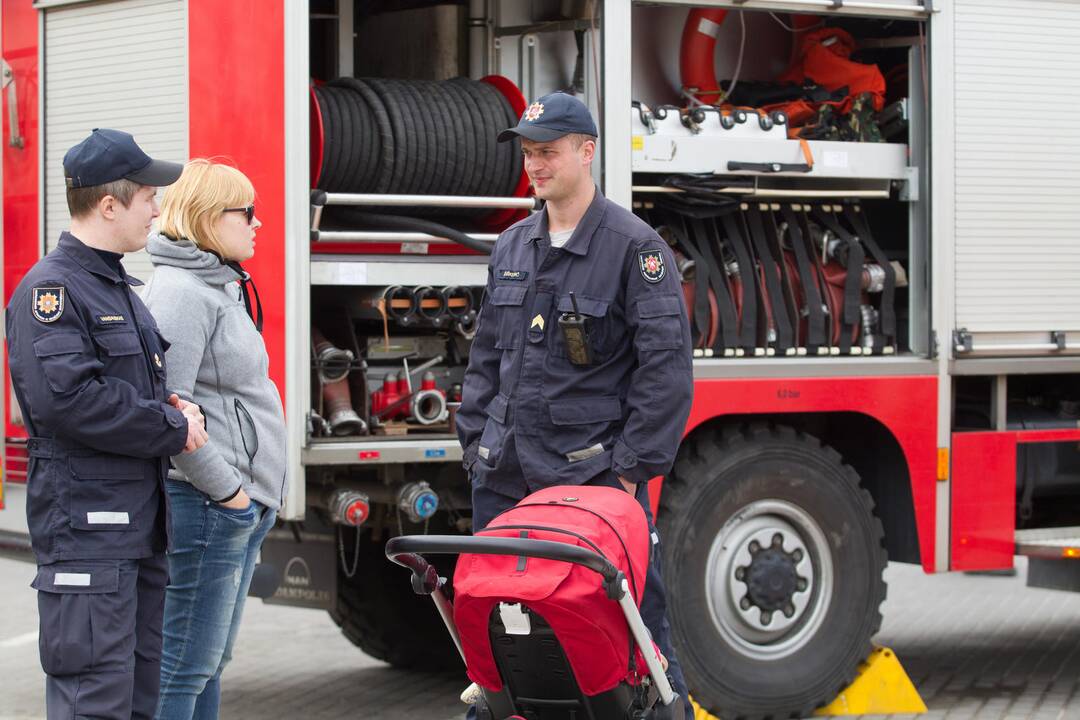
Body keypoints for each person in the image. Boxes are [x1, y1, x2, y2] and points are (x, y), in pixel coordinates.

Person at [456, 92, 695, 717]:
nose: (535, 166)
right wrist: (475, 445)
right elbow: (485, 357)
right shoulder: (512, 245)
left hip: (589, 481)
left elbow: (665, 370)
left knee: (634, 645)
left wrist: (625, 471)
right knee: (506, 645)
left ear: (587, 152)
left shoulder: (634, 249)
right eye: (529, 154)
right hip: (504, 476)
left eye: (548, 153)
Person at [6, 128, 207, 720]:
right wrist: (170, 428)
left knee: (138, 698)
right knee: (93, 700)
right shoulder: (54, 290)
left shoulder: (115, 284)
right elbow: (70, 401)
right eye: (149, 196)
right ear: (110, 204)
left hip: (135, 530)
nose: (158, 209)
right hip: (89, 533)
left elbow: (119, 388)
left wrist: (170, 406)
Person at [142, 159, 287, 720]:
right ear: (207, 218)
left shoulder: (216, 284)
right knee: (183, 666)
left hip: (233, 506)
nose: (257, 223)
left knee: (207, 663)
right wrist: (229, 494)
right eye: (245, 211)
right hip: (207, 505)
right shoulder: (180, 293)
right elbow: (167, 414)